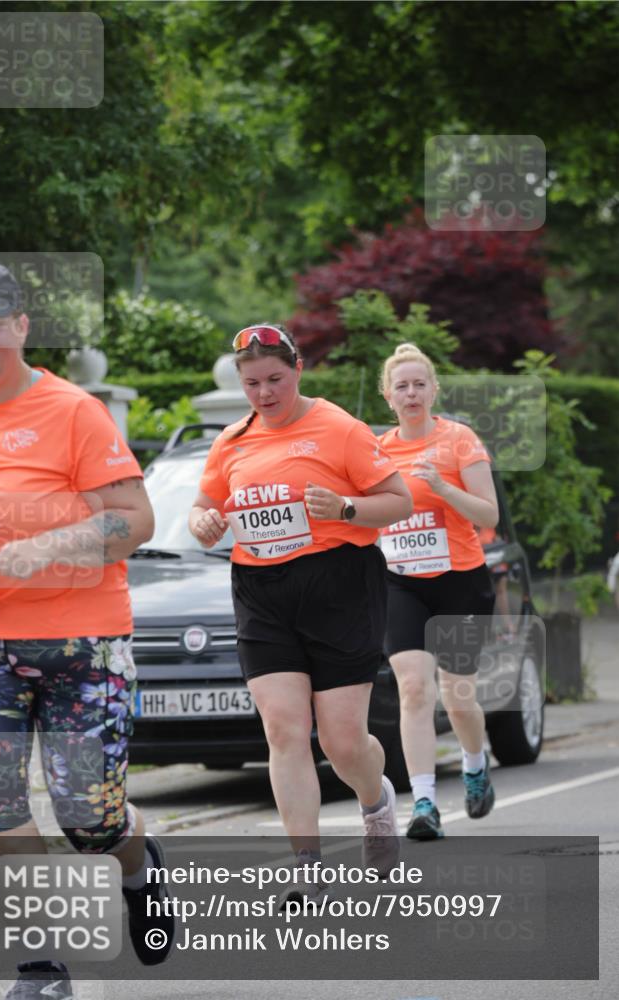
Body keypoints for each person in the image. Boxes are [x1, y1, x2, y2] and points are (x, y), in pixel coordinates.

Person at [0, 261, 174, 1000]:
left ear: (21, 327)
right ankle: (42, 969)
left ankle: (139, 869)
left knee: (88, 817)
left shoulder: (74, 411)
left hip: (82, 645)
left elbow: (135, 520)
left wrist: (49, 545)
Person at [188, 324, 412, 896]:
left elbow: (399, 502)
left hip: (339, 585)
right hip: (261, 589)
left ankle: (375, 800)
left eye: (275, 379)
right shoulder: (231, 441)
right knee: (284, 729)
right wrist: (203, 523)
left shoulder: (339, 428)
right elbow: (203, 506)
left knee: (342, 743)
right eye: (252, 384)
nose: (264, 393)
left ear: (298, 370)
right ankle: (307, 868)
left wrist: (344, 508)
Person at [377, 342, 499, 840]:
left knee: (458, 696)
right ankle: (423, 802)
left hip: (459, 582)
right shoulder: (378, 450)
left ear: (433, 391)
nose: (411, 394)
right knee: (412, 687)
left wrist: (443, 488)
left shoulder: (459, 440)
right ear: (388, 396)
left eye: (419, 385)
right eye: (401, 387)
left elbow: (488, 514)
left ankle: (474, 763)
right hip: (401, 582)